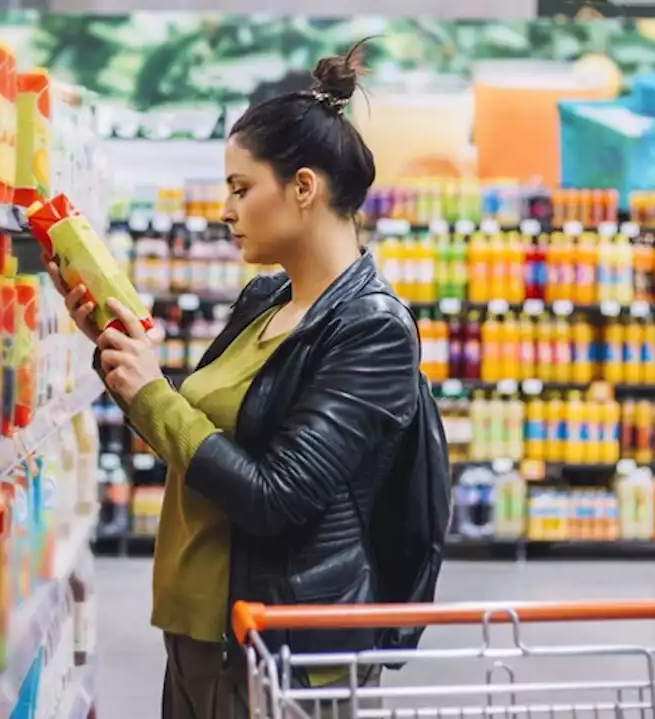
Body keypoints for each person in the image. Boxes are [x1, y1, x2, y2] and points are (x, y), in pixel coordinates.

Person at [48, 41, 427, 719]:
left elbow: (276, 496)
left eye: (240, 187)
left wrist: (153, 391)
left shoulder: (373, 329)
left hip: (276, 649)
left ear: (303, 188)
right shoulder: (264, 301)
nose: (225, 208)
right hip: (199, 632)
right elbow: (193, 439)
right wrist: (115, 348)